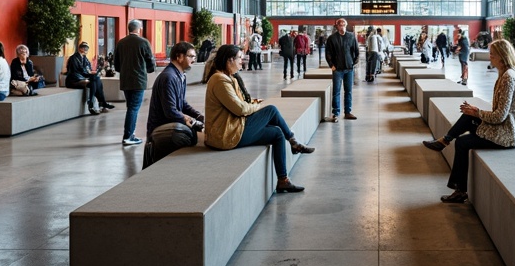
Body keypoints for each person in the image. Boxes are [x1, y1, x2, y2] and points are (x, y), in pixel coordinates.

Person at [422, 39, 515, 203]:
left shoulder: (508, 78)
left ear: (501, 56)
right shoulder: (507, 74)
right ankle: (444, 141)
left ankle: (460, 190)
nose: (490, 58)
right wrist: (474, 112)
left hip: (506, 134)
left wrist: (477, 112)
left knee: (462, 142)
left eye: (492, 54)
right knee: (469, 115)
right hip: (503, 127)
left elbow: (500, 116)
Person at [204, 44, 312, 194]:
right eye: (240, 58)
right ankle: (293, 142)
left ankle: (283, 180)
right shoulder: (220, 80)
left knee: (277, 133)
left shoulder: (229, 78)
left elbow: (240, 103)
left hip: (233, 127)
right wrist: (257, 107)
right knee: (271, 110)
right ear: (229, 60)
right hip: (225, 134)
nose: (242, 61)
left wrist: (253, 103)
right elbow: (240, 109)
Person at [144, 41, 204, 167]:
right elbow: (170, 111)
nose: (193, 60)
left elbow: (182, 103)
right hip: (162, 130)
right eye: (191, 56)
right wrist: (191, 121)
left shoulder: (180, 75)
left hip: (169, 125)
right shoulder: (169, 77)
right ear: (179, 57)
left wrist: (199, 117)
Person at [115, 20, 156, 147]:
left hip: (126, 80)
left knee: (130, 107)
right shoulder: (143, 42)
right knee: (133, 109)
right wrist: (149, 70)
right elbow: (150, 61)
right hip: (138, 81)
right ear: (140, 29)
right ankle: (128, 136)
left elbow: (116, 64)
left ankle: (129, 134)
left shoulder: (121, 43)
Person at [325, 17, 359, 122]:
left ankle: (348, 112)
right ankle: (335, 113)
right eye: (340, 25)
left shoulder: (351, 37)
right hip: (337, 69)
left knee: (348, 91)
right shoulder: (332, 38)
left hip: (349, 69)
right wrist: (332, 65)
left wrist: (353, 63)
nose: (342, 26)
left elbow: (356, 51)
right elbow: (328, 53)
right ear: (337, 26)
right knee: (336, 91)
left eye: (343, 24)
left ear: (346, 25)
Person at [66, 41, 112, 114]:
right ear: (80, 48)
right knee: (95, 79)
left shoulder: (85, 58)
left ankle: (93, 103)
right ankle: (101, 103)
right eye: (84, 47)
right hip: (74, 79)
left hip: (82, 77)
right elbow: (76, 71)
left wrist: (93, 72)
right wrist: (90, 74)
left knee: (96, 79)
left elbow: (88, 69)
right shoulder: (74, 58)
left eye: (87, 48)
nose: (85, 49)